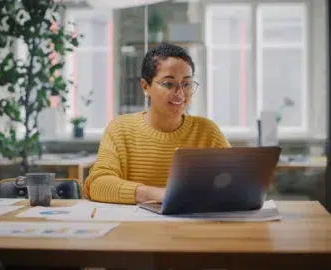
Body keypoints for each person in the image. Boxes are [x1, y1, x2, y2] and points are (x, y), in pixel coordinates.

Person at [84, 43, 230, 204]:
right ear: (146, 86)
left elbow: (238, 181)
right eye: (168, 84)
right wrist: (157, 194)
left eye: (187, 84)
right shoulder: (120, 129)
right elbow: (98, 184)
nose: (180, 94)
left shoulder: (207, 131)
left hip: (194, 225)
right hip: (136, 227)